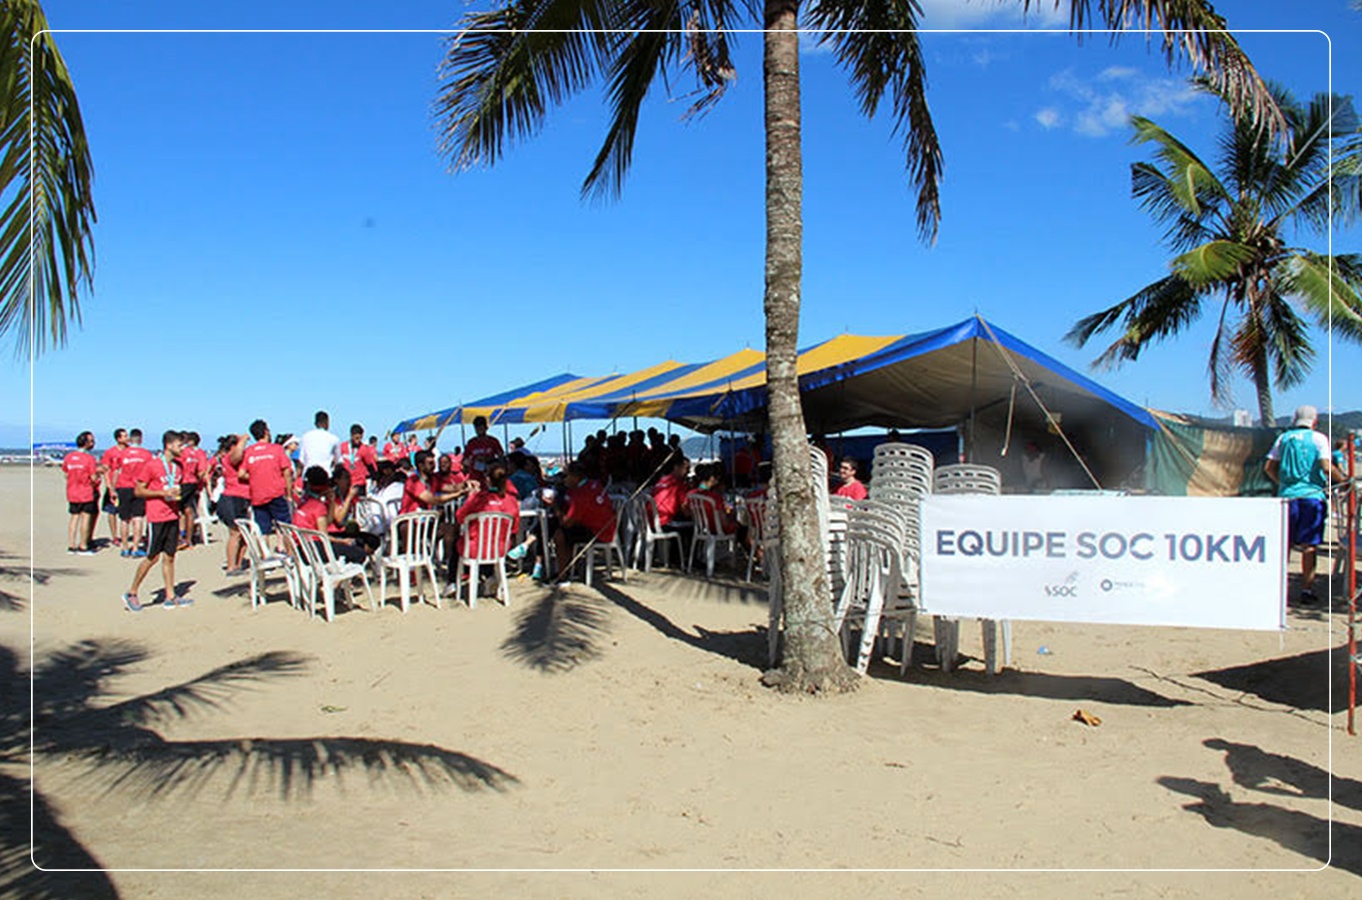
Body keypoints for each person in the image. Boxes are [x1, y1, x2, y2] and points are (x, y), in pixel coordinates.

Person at [1264, 405, 1348, 605]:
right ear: (1314, 421)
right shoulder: (1319, 439)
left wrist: (1281, 483)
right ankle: (1306, 589)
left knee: (1286, 544)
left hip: (1287, 497)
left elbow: (1269, 467)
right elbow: (1326, 466)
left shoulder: (1283, 439)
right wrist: (1344, 480)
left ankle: (1279, 587)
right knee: (1309, 546)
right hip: (1312, 496)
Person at [120, 430, 193, 612]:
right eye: (179, 445)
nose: (182, 448)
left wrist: (177, 496)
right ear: (169, 445)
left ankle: (170, 596)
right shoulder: (152, 466)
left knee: (170, 556)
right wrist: (162, 493)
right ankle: (132, 592)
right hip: (156, 517)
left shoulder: (178, 467)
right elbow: (138, 491)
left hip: (172, 515)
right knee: (152, 557)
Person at [448, 456, 521, 594]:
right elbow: (515, 528)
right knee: (485, 543)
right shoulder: (511, 501)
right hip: (500, 548)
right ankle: (488, 576)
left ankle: (452, 582)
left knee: (459, 544)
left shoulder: (479, 499)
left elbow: (460, 517)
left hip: (476, 547)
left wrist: (470, 497)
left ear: (487, 479)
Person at [549, 462, 617, 583]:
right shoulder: (589, 485)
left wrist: (555, 506)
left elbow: (567, 522)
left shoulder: (582, 494)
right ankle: (566, 567)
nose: (564, 480)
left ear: (576, 477)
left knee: (560, 535)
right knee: (555, 526)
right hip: (599, 526)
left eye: (566, 476)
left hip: (599, 532)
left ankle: (562, 574)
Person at [235, 419, 295, 546]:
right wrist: (289, 494)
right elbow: (287, 472)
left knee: (263, 529)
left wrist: (256, 476)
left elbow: (241, 474)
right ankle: (291, 554)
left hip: (258, 494)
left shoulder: (250, 451)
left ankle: (266, 556)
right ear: (266, 432)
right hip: (276, 492)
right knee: (286, 527)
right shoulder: (277, 449)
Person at [115, 428, 154, 557]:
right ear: (141, 439)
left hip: (124, 486)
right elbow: (150, 472)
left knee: (124, 519)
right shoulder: (146, 454)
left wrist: (113, 488)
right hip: (138, 487)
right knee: (137, 518)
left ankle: (125, 547)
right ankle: (135, 547)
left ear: (131, 440)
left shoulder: (122, 453)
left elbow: (116, 471)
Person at [217, 433, 252, 574]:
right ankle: (231, 566)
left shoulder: (235, 459)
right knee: (235, 533)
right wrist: (243, 439)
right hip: (232, 497)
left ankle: (238, 563)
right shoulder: (229, 458)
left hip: (242, 497)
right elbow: (236, 456)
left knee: (245, 534)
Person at [62, 431, 100, 555]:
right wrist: (97, 479)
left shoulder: (69, 457)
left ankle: (72, 545)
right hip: (85, 491)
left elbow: (66, 474)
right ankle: (83, 545)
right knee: (85, 518)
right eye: (91, 441)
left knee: (74, 517)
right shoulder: (89, 459)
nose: (93, 443)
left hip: (72, 491)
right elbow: (93, 477)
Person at [176, 431, 208, 550]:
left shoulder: (182, 452)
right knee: (189, 511)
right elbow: (201, 471)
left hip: (182, 482)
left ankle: (179, 538)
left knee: (176, 510)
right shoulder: (200, 453)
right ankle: (188, 540)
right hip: (192, 483)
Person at [99, 428, 129, 547]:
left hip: (127, 485)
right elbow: (105, 470)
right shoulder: (110, 452)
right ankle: (114, 536)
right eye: (124, 436)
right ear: (118, 439)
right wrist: (109, 487)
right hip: (113, 485)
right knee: (112, 511)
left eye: (127, 436)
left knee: (127, 512)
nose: (127, 438)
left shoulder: (130, 451)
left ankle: (125, 535)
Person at [463, 415, 505, 484]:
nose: (479, 429)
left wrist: (490, 460)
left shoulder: (493, 441)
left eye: (481, 426)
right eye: (477, 427)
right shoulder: (471, 443)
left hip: (490, 476)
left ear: (486, 427)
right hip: (475, 476)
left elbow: (501, 457)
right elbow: (465, 459)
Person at [299, 410, 343, 474]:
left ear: (315, 423)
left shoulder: (305, 437)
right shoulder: (334, 439)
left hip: (308, 476)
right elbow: (339, 462)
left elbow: (301, 461)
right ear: (327, 423)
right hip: (325, 476)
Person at [341, 423, 379, 494]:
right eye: (356, 438)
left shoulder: (364, 449)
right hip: (345, 483)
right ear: (351, 435)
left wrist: (375, 479)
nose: (358, 440)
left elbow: (370, 466)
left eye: (360, 438)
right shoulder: (343, 447)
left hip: (359, 484)